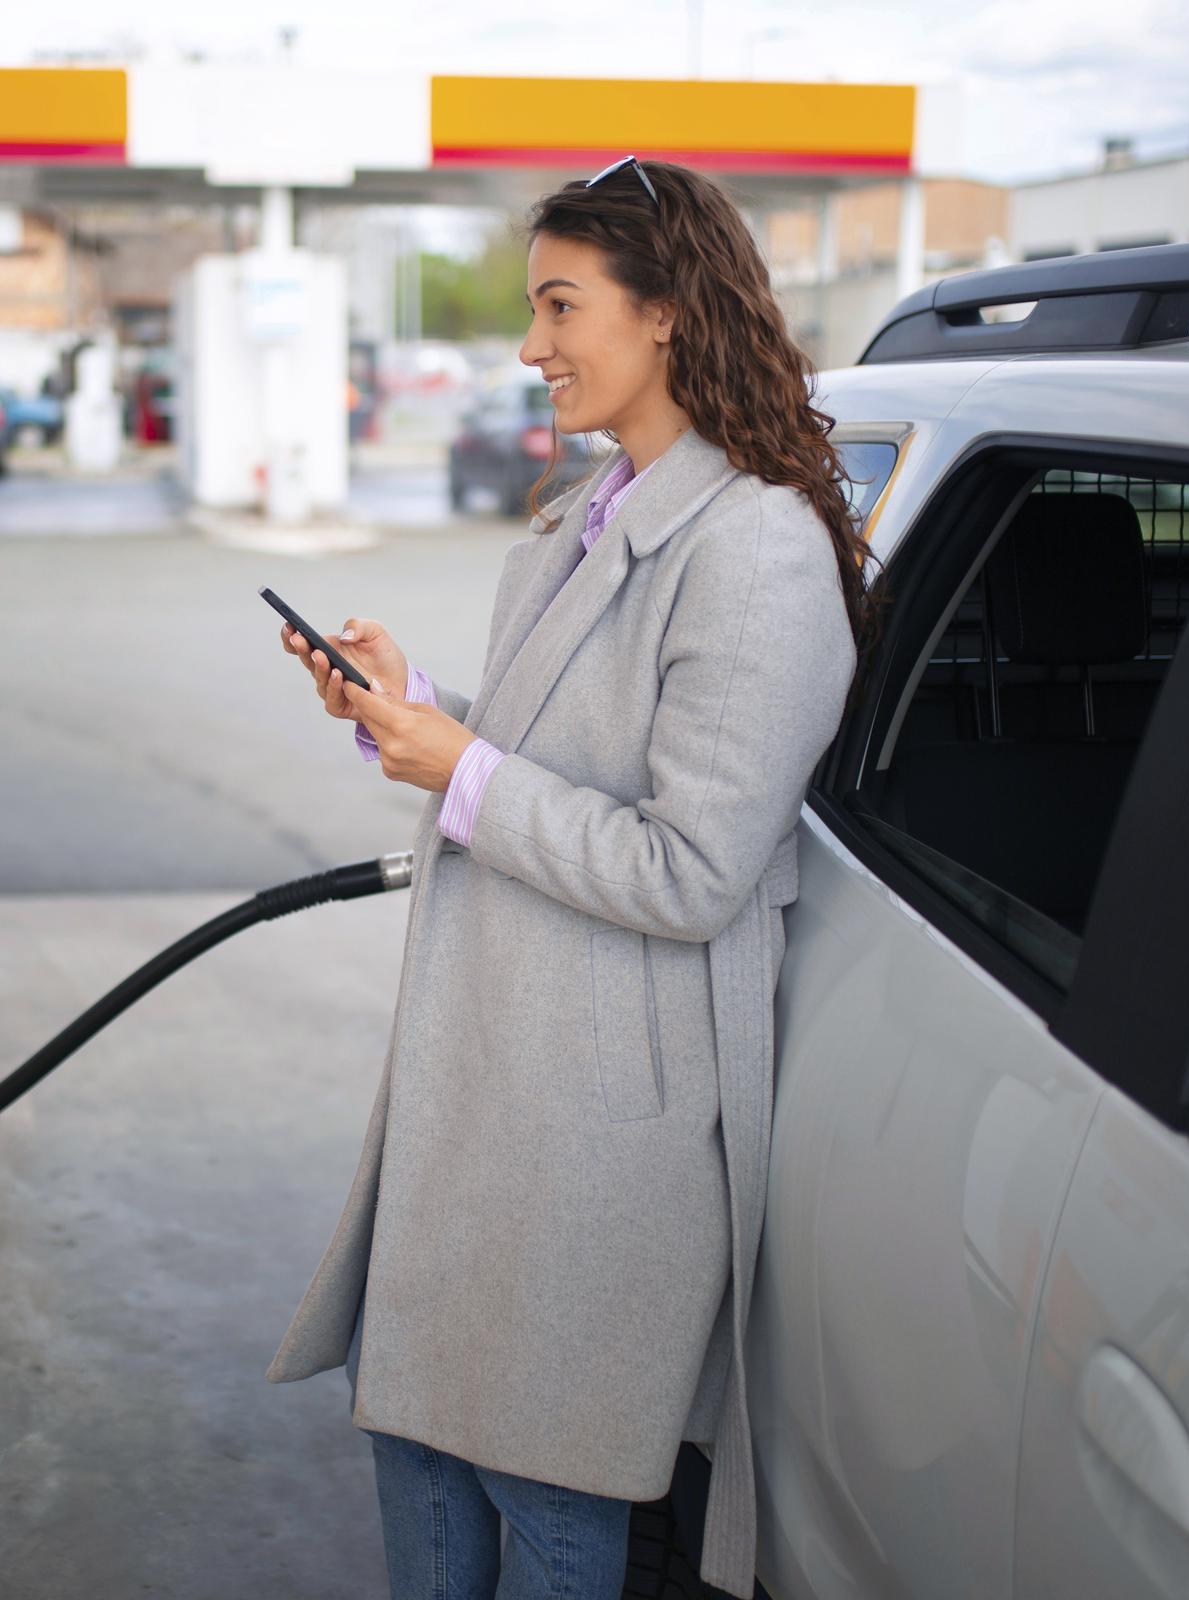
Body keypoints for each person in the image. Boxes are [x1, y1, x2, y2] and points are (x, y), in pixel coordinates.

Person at [267, 157, 876, 1600]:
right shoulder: (590, 514)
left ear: (668, 311)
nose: (530, 345)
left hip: (604, 1119)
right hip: (496, 1073)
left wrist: (455, 769)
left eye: (559, 305)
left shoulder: (758, 551)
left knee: (544, 1487)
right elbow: (547, 755)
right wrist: (412, 705)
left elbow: (691, 867)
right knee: (414, 1436)